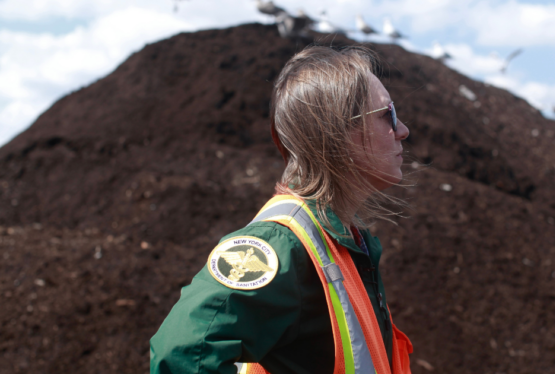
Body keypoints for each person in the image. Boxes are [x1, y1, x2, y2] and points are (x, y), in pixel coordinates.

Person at [150, 45, 412, 374]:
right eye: (387, 113)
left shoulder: (341, 242)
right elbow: (181, 352)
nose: (403, 130)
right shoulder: (281, 245)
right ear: (337, 132)